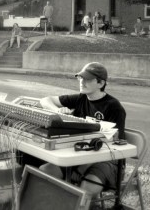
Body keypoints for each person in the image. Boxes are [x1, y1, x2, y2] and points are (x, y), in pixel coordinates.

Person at [39, 62, 126, 200]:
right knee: (44, 173)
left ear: (100, 83)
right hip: (80, 154)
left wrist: (81, 169)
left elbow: (112, 146)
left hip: (107, 159)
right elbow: (45, 100)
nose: (82, 82)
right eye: (81, 78)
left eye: (87, 79)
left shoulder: (114, 107)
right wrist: (57, 111)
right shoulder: (80, 98)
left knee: (85, 190)